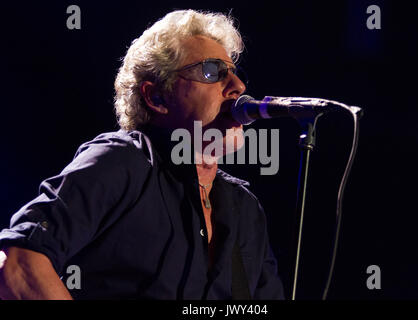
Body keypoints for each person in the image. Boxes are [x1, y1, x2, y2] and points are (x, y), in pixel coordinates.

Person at [0, 9, 284, 300]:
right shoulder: (121, 162)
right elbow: (19, 262)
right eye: (212, 71)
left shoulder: (245, 209)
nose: (238, 86)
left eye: (234, 73)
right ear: (156, 97)